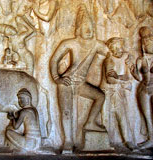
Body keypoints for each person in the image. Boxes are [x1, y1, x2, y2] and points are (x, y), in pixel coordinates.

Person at [50, 4, 109, 151]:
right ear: (78, 30)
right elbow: (54, 60)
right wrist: (57, 78)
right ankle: (68, 141)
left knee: (100, 96)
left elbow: (110, 54)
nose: (88, 31)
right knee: (66, 112)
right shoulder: (70, 43)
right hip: (67, 83)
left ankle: (89, 122)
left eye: (90, 28)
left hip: (81, 84)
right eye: (85, 27)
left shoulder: (96, 45)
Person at [103, 37, 135, 150]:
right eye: (117, 47)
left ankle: (128, 140)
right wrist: (122, 82)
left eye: (121, 46)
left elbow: (130, 75)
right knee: (109, 117)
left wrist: (121, 77)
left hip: (122, 92)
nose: (120, 49)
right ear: (112, 49)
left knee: (123, 116)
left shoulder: (126, 57)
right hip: (112, 92)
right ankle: (110, 141)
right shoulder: (109, 60)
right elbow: (109, 79)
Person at [131, 26, 153, 149]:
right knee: (147, 116)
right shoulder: (141, 60)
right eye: (145, 42)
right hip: (144, 89)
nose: (147, 43)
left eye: (149, 41)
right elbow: (139, 78)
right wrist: (133, 71)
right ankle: (150, 138)